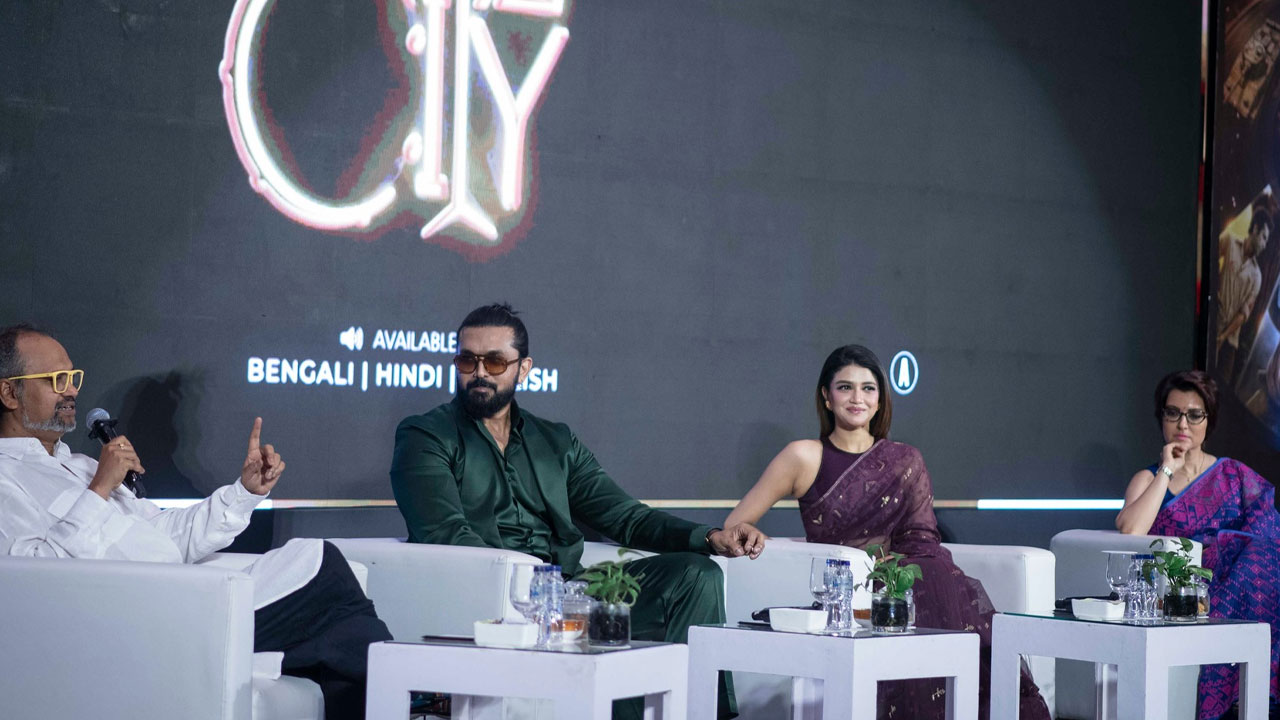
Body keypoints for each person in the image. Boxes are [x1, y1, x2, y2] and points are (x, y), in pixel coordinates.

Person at [390, 303, 764, 720]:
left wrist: (710, 538)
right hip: (497, 600)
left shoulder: (556, 441)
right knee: (595, 620)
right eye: (466, 360)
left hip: (572, 593)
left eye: (494, 362)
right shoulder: (425, 435)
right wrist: (527, 586)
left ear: (523, 368)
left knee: (696, 575)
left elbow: (625, 516)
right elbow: (444, 533)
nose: (479, 372)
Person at [0, 324, 391, 719]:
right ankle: (408, 691)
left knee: (329, 593)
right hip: (126, 624)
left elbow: (167, 535)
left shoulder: (83, 465)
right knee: (327, 580)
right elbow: (31, 582)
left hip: (179, 599)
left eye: (73, 377)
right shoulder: (7, 478)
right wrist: (99, 490)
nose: (71, 390)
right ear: (9, 393)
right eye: (56, 379)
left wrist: (244, 491)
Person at [724, 344, 1051, 720]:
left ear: (880, 400)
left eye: (868, 388)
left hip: (909, 580)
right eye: (845, 387)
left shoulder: (905, 460)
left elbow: (922, 539)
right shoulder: (803, 456)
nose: (857, 398)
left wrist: (896, 576)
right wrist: (757, 539)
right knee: (927, 580)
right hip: (846, 592)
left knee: (933, 572)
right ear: (826, 397)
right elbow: (734, 524)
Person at [1116, 370, 1280, 719]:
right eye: (1173, 413)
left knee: (1264, 555)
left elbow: (1268, 529)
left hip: (1243, 585)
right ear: (1161, 418)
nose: (1183, 424)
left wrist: (1226, 550)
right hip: (1182, 592)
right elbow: (1130, 531)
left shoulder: (1235, 475)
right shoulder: (1148, 478)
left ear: (1209, 420)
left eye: (1194, 415)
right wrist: (1167, 469)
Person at [1217, 207, 1272, 385]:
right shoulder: (1230, 241)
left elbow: (1243, 314)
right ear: (1255, 228)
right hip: (1214, 321)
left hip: (1230, 341)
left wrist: (1223, 337)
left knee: (1222, 388)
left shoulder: (1257, 276)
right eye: (1264, 237)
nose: (1264, 244)